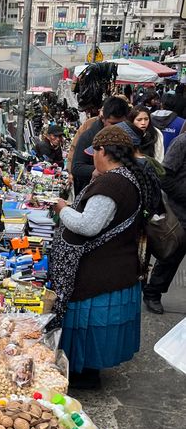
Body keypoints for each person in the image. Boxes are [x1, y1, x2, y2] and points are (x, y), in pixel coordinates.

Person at [51, 125, 151, 390]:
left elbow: (88, 225)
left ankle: (83, 374)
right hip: (117, 263)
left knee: (88, 323)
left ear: (103, 150)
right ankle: (86, 371)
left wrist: (62, 208)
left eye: (93, 151)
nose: (91, 157)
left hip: (102, 269)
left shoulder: (112, 183)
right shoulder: (124, 177)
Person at [143, 132, 186, 315]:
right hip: (180, 212)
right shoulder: (182, 142)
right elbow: (164, 177)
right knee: (171, 255)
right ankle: (153, 293)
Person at [70, 96, 129, 195]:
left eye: (121, 124)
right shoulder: (88, 137)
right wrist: (100, 169)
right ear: (103, 119)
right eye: (113, 123)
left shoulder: (128, 136)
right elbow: (76, 167)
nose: (117, 128)